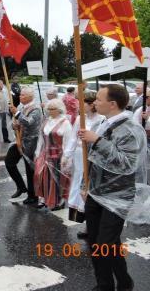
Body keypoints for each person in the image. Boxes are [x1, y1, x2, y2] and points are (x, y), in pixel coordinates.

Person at [78, 84, 147, 291]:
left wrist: (97, 140)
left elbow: (126, 164)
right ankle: (122, 282)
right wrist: (85, 185)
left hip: (117, 197)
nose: (94, 102)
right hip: (96, 193)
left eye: (98, 99)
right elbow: (92, 159)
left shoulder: (131, 129)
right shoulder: (103, 122)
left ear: (112, 104)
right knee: (99, 241)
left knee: (104, 244)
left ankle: (105, 285)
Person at [63, 91, 104, 238]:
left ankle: (91, 226)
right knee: (79, 187)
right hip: (79, 157)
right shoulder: (80, 118)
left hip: (93, 158)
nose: (79, 106)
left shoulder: (102, 120)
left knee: (90, 189)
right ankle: (86, 223)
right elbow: (73, 139)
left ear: (92, 104)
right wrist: (67, 155)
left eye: (82, 103)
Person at [5, 87, 43, 204]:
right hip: (19, 140)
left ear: (30, 97)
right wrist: (14, 125)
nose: (20, 97)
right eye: (20, 95)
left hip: (31, 142)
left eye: (22, 95)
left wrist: (16, 113)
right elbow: (16, 122)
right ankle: (21, 187)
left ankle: (33, 196)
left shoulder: (36, 109)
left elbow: (28, 122)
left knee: (30, 169)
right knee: (9, 162)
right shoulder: (21, 107)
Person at [33, 99, 73, 210]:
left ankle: (59, 201)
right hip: (45, 154)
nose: (50, 111)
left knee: (57, 179)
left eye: (52, 109)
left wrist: (66, 158)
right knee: (41, 176)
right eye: (49, 109)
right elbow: (41, 138)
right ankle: (44, 198)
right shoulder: (46, 121)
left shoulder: (65, 123)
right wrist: (37, 152)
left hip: (58, 156)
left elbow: (68, 141)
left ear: (59, 109)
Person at [132, 89, 150, 184]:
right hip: (142, 140)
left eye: (146, 97)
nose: (144, 99)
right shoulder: (141, 109)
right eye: (144, 97)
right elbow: (134, 123)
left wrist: (147, 119)